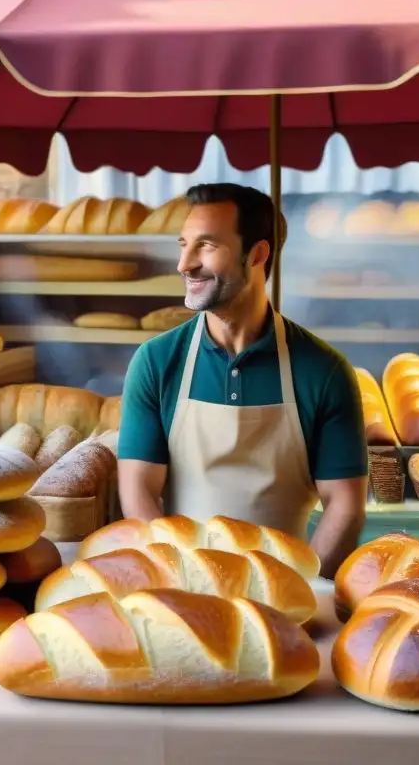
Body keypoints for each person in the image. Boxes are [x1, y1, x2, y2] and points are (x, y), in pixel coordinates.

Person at [117, 183, 367, 578]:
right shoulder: (156, 362)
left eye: (206, 246)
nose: (184, 264)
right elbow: (139, 492)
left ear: (258, 254)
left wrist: (299, 587)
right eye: (184, 244)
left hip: (289, 588)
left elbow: (345, 505)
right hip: (185, 585)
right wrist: (180, 576)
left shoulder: (324, 370)